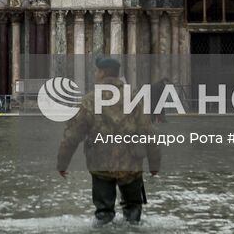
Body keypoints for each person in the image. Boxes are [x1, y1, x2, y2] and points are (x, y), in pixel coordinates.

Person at [57, 56, 161, 224]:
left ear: (102, 73)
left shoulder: (89, 100)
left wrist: (62, 163)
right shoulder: (134, 98)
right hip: (131, 165)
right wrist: (155, 164)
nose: (95, 73)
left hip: (101, 165)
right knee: (133, 211)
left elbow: (72, 135)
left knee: (103, 213)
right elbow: (149, 133)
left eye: (97, 71)